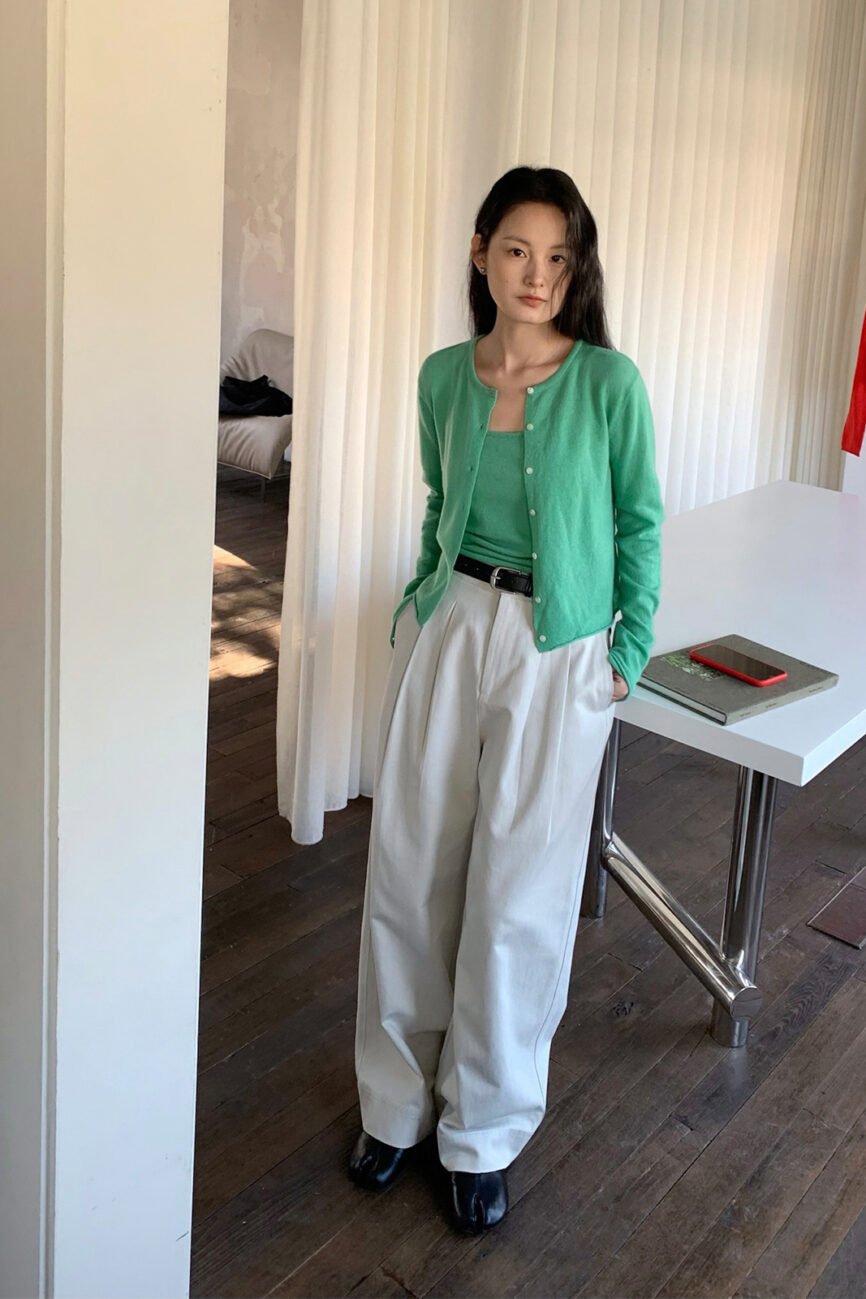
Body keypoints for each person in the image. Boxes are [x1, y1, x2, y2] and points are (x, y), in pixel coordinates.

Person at [348, 165, 664, 1234]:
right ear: (481, 251)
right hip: (451, 627)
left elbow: (638, 523)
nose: (538, 275)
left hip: (557, 645)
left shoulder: (608, 383)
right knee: (410, 871)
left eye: (559, 257)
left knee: (518, 895)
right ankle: (393, 1107)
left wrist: (628, 651)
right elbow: (441, 498)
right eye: (519, 250)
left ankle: (479, 1132)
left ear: (578, 269)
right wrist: (419, 604)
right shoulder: (445, 375)